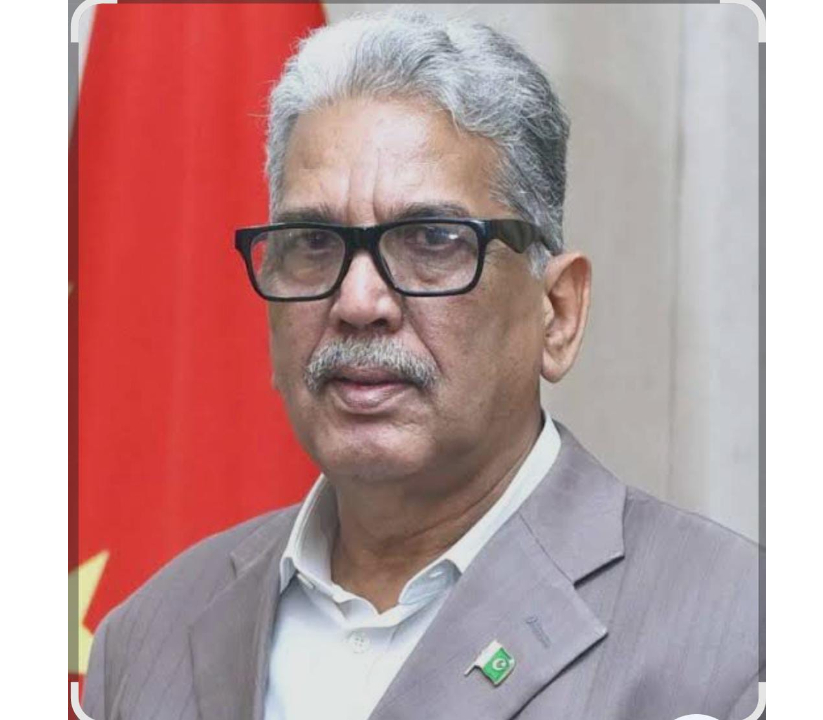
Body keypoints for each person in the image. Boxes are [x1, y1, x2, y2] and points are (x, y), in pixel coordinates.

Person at [82, 10, 760, 720]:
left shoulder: (740, 637)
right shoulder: (144, 642)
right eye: (313, 242)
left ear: (556, 313)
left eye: (433, 240)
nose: (358, 301)